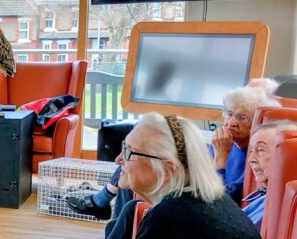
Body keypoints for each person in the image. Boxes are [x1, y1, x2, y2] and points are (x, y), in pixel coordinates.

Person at [69, 113, 270, 239]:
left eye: (129, 151)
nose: (119, 159)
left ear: (168, 168)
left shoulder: (173, 218)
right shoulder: (200, 202)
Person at [68, 85, 280, 220]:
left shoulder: (255, 157)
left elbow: (220, 201)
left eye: (242, 118)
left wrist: (221, 157)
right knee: (134, 160)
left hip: (196, 202)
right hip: (189, 186)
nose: (231, 123)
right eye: (229, 114)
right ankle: (104, 202)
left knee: (135, 183)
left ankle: (102, 203)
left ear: (256, 123)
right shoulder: (226, 142)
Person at [244, 121, 297, 230]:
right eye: (251, 150)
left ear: (287, 156)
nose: (251, 159)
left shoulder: (280, 206)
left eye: (260, 150)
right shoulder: (268, 194)